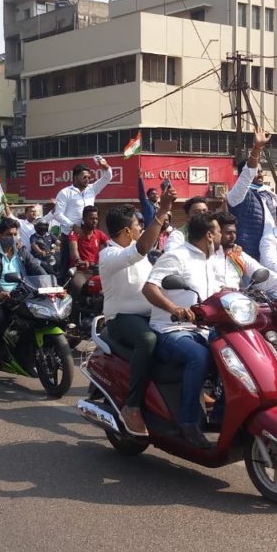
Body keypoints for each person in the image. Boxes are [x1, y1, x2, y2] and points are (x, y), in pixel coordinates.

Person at [99, 185, 176, 436]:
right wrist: (162, 211)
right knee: (148, 339)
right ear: (125, 232)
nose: (140, 229)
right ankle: (131, 407)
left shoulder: (138, 253)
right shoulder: (109, 254)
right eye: (137, 226)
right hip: (121, 320)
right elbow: (141, 248)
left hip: (149, 315)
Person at [142, 212, 223, 449]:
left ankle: (221, 411)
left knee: (235, 350)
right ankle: (187, 422)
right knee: (199, 356)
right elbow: (149, 288)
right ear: (209, 235)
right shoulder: (176, 257)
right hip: (170, 329)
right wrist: (173, 307)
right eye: (219, 232)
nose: (222, 236)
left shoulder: (212, 260)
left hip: (204, 329)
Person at [0, 217, 46, 369]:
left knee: (38, 315)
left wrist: (50, 285)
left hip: (20, 290)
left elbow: (36, 268)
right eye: (9, 234)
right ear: (0, 236)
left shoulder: (21, 251)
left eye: (15, 234)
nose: (13, 238)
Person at [53, 157, 113, 270]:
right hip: (70, 235)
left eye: (89, 177)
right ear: (75, 177)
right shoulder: (65, 192)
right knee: (65, 269)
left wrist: (105, 165)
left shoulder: (92, 189)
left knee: (89, 266)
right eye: (84, 177)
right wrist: (74, 226)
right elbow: (57, 214)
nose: (87, 180)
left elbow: (107, 177)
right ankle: (61, 287)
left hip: (89, 234)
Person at [224, 127, 274, 260]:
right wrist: (257, 148)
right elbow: (248, 173)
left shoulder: (268, 194)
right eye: (257, 171)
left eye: (261, 171)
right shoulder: (237, 195)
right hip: (247, 258)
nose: (260, 174)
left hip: (273, 257)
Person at [213, 212, 277, 292]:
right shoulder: (207, 256)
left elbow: (264, 274)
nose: (233, 237)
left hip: (237, 300)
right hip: (211, 302)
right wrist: (219, 289)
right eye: (228, 233)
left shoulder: (237, 255)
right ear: (217, 233)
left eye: (234, 232)